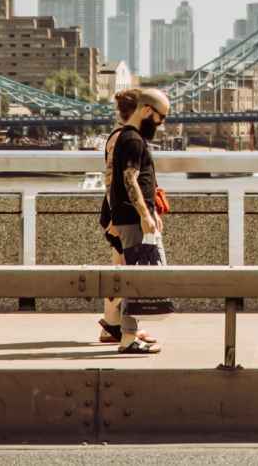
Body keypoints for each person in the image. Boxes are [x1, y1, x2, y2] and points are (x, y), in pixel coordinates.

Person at [106, 87, 170, 354]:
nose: (162, 124)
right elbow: (129, 179)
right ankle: (128, 339)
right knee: (136, 278)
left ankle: (122, 330)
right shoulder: (132, 140)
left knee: (132, 275)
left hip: (132, 216)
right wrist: (145, 215)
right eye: (160, 117)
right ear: (146, 111)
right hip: (133, 219)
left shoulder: (129, 137)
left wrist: (152, 212)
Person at [96, 89, 157, 346]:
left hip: (116, 213)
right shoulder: (127, 138)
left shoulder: (116, 136)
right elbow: (116, 181)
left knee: (120, 271)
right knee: (129, 276)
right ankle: (123, 331)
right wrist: (115, 219)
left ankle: (112, 325)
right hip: (121, 215)